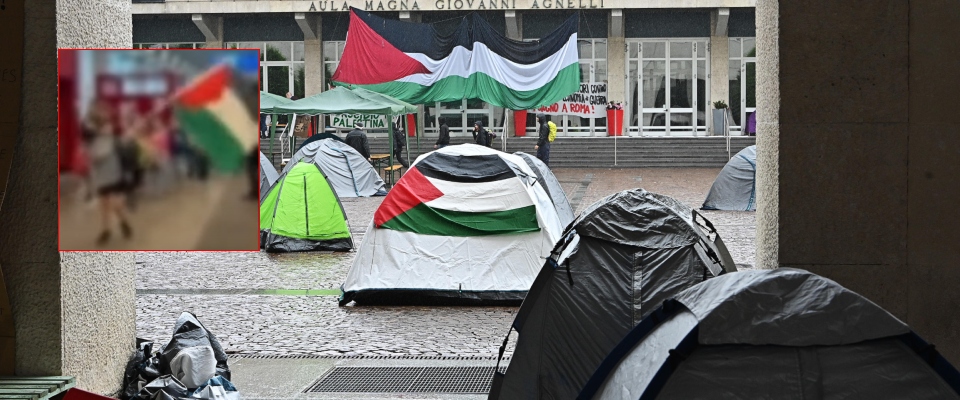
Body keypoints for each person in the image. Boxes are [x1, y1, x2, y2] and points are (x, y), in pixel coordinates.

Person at [84, 100, 132, 245]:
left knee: (114, 201)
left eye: (101, 109)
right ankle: (106, 230)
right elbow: (87, 140)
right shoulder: (88, 127)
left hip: (112, 166)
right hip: (99, 167)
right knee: (103, 202)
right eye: (96, 109)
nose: (99, 112)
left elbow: (119, 139)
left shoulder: (112, 126)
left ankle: (123, 221)